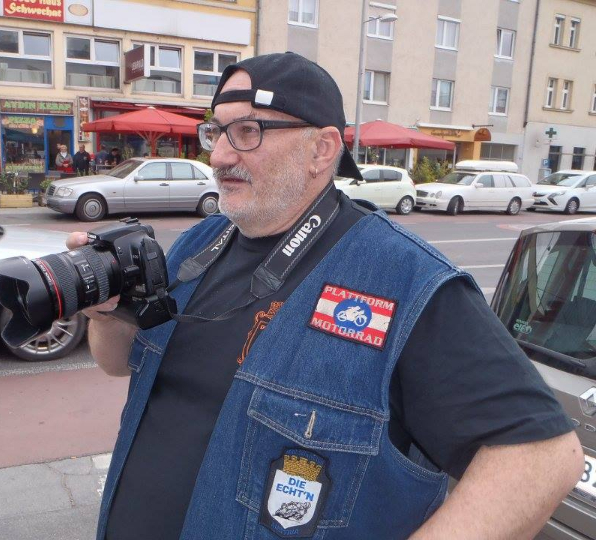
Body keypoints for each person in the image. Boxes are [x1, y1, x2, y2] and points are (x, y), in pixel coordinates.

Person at [67, 52, 582, 540]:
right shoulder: (198, 243)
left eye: (248, 131)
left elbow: (543, 459)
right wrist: (106, 314)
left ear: (322, 149)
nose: (219, 155)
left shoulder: (404, 279)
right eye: (217, 131)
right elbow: (118, 363)